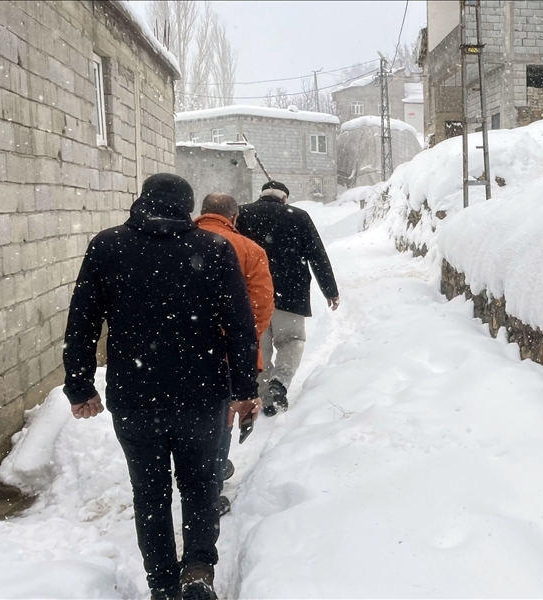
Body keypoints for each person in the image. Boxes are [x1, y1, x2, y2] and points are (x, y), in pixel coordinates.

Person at [63, 173, 261, 600]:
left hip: (135, 397)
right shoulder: (214, 248)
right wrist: (245, 388)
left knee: (149, 493)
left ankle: (163, 585)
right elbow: (241, 325)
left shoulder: (107, 246)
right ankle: (198, 569)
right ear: (188, 207)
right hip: (201, 393)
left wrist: (80, 386)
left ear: (142, 200)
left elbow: (82, 322)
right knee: (200, 484)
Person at [195, 192, 274, 516]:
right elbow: (261, 306)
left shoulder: (177, 243)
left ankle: (197, 469)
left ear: (202, 212)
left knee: (191, 415)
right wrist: (240, 341)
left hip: (182, 350)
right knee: (222, 416)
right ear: (234, 217)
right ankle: (210, 486)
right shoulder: (250, 250)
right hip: (226, 353)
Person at [236, 180, 340, 416]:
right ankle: (279, 383)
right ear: (284, 198)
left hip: (252, 294)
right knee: (291, 341)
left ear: (262, 194)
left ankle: (264, 395)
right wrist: (330, 290)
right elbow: (317, 255)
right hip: (291, 294)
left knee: (258, 346)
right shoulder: (299, 216)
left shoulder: (242, 214)